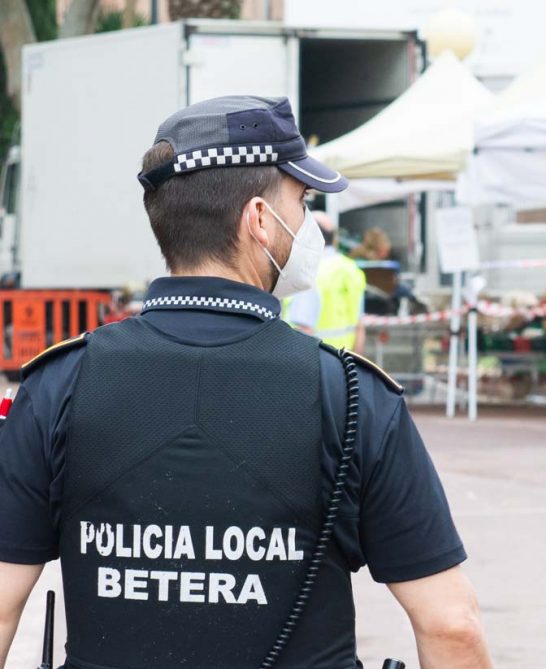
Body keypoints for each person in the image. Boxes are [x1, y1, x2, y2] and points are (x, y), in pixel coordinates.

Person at [0, 96, 491, 669]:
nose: (308, 225)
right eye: (302, 201)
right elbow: (452, 626)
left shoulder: (59, 386)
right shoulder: (354, 397)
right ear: (259, 219)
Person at [284, 211, 367, 353]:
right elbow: (359, 328)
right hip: (345, 362)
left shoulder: (307, 271)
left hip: (315, 363)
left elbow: (302, 331)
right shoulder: (351, 269)